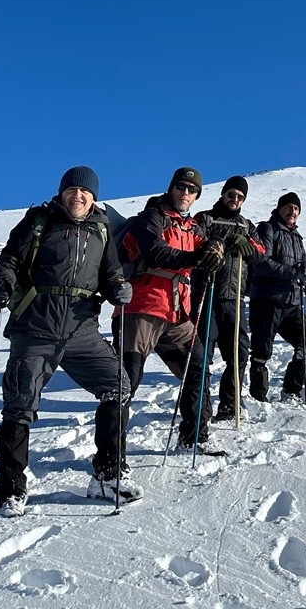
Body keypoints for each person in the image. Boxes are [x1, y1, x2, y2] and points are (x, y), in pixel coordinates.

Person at [0, 166, 138, 516]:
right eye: (72, 190)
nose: (78, 196)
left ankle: (107, 475)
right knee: (19, 405)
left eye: (85, 192)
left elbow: (111, 272)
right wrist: (2, 282)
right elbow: (9, 259)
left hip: (81, 330)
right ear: (62, 192)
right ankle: (10, 489)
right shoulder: (39, 221)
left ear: (94, 197)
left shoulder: (101, 229)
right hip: (35, 328)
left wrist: (118, 287)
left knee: (118, 385)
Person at [115, 166, 227, 452]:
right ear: (171, 188)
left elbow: (207, 248)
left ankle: (194, 437)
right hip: (141, 309)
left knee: (199, 368)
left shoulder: (191, 227)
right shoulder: (151, 217)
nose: (186, 193)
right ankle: (112, 455)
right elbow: (155, 252)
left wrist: (216, 249)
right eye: (181, 187)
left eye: (192, 190)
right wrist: (197, 257)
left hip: (176, 315)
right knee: (126, 382)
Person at [190, 176, 265, 427]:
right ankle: (201, 406)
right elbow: (194, 242)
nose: (235, 200)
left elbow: (261, 253)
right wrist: (219, 243)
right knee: (203, 355)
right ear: (223, 194)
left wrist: (246, 245)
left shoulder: (246, 225)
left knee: (239, 353)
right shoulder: (205, 218)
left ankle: (230, 403)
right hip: (205, 294)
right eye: (231, 195)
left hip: (234, 297)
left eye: (240, 197)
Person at [248, 193, 306, 403]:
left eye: (296, 208)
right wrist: (294, 272)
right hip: (267, 300)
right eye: (288, 207)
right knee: (262, 350)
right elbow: (262, 262)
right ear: (279, 209)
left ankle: (291, 389)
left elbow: (300, 264)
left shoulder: (297, 236)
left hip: (291, 301)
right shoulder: (267, 229)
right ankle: (258, 397)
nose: (292, 211)